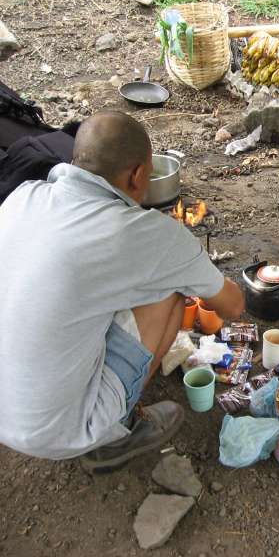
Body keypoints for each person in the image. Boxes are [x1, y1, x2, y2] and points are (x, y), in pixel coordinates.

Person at [0, 111, 245, 472]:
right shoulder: (149, 234)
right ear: (138, 175)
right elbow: (233, 306)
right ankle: (114, 433)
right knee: (170, 293)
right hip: (57, 431)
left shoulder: (22, 196)